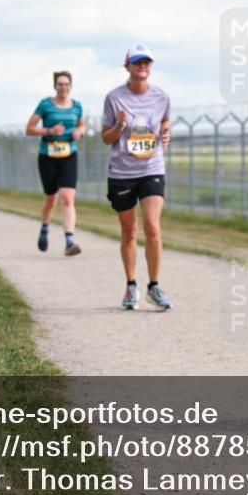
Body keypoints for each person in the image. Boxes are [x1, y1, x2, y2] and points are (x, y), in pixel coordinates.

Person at [101, 44, 173, 310]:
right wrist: (119, 127)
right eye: (137, 62)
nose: (142, 67)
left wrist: (166, 133)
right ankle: (131, 285)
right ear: (128, 67)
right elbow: (105, 137)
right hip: (121, 172)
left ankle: (154, 286)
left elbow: (165, 121)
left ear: (150, 67)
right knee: (129, 231)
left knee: (152, 226)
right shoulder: (114, 98)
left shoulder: (162, 97)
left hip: (151, 168)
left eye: (146, 63)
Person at [27, 71, 85, 255]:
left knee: (67, 197)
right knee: (51, 199)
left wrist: (79, 132)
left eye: (67, 84)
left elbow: (82, 125)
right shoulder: (45, 105)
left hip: (69, 154)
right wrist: (48, 131)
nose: (63, 87)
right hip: (48, 156)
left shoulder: (77, 106)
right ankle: (45, 227)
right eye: (60, 84)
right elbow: (29, 129)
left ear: (71, 86)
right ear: (55, 86)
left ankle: (69, 241)